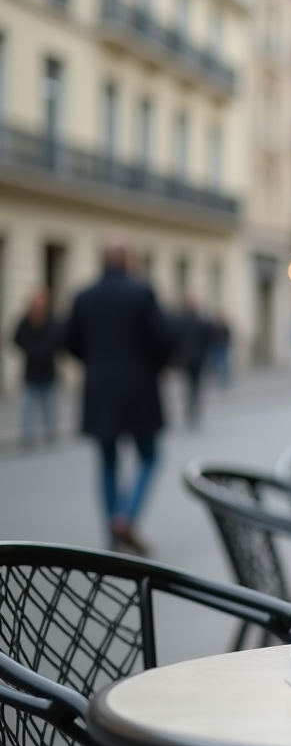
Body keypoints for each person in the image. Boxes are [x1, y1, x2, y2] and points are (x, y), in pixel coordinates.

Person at [63, 233, 174, 554]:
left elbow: (70, 342)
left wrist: (96, 363)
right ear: (128, 259)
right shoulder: (141, 293)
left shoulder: (83, 296)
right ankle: (124, 516)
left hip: (99, 390)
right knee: (150, 456)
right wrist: (151, 366)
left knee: (107, 462)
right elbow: (162, 339)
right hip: (138, 389)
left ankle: (113, 527)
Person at [11, 289, 61, 447]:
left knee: (49, 407)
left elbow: (57, 339)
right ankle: (27, 437)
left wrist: (42, 350)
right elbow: (16, 339)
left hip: (48, 371)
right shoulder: (25, 321)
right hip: (31, 371)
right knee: (28, 407)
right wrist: (31, 349)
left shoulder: (51, 321)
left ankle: (51, 435)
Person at [173, 295, 213, 427]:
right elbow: (208, 340)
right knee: (196, 385)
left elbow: (175, 341)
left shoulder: (180, 322)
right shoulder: (201, 322)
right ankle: (194, 410)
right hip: (198, 359)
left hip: (185, 359)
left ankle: (189, 411)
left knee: (188, 385)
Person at [209, 312, 232, 387]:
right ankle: (219, 376)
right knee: (216, 363)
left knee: (223, 362)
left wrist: (226, 342)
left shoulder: (224, 327)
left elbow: (228, 335)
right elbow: (211, 336)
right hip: (215, 346)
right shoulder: (214, 327)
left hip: (222, 346)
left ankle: (224, 377)